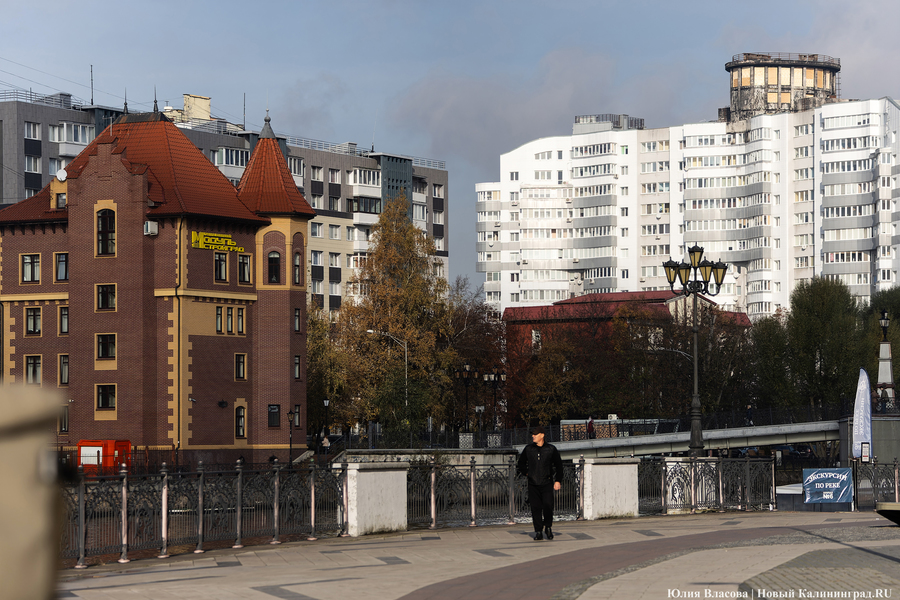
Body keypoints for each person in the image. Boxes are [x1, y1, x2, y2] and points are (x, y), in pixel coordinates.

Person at [517, 425, 564, 540]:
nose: (533, 436)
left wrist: (558, 480)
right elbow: (521, 464)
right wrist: (528, 474)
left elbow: (559, 466)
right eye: (532, 434)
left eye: (535, 434)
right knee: (535, 508)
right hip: (533, 484)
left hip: (546, 482)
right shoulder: (528, 449)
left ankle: (548, 527)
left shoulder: (551, 449)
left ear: (542, 435)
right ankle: (538, 531)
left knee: (548, 506)